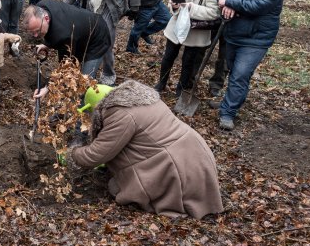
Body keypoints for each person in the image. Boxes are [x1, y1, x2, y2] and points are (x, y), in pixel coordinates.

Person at [67, 81, 223, 219]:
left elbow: (95, 155)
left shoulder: (119, 114)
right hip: (194, 153)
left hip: (174, 167)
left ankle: (165, 195)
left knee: (115, 187)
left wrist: (72, 153)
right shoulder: (142, 98)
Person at [212, 0, 285, 130]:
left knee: (240, 75)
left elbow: (257, 6)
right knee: (233, 72)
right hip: (234, 33)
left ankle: (227, 113)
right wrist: (226, 1)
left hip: (256, 39)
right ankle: (228, 103)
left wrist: (230, 2)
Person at [156, 0, 221, 95]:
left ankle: (181, 88)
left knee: (188, 62)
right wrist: (174, 5)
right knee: (168, 56)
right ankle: (161, 83)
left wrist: (190, 7)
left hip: (196, 31)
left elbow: (213, 12)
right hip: (177, 24)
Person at [21, 1, 114, 98]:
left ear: (46, 18)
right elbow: (51, 31)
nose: (35, 36)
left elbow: (66, 67)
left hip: (97, 38)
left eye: (37, 31)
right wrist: (46, 44)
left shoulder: (63, 35)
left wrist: (47, 88)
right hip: (79, 32)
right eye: (32, 32)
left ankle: (83, 106)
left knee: (84, 82)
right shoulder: (41, 7)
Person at [208, 0, 250, 96]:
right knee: (201, 48)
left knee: (225, 55)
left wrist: (231, 4)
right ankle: (192, 78)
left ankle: (216, 84)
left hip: (233, 20)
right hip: (212, 16)